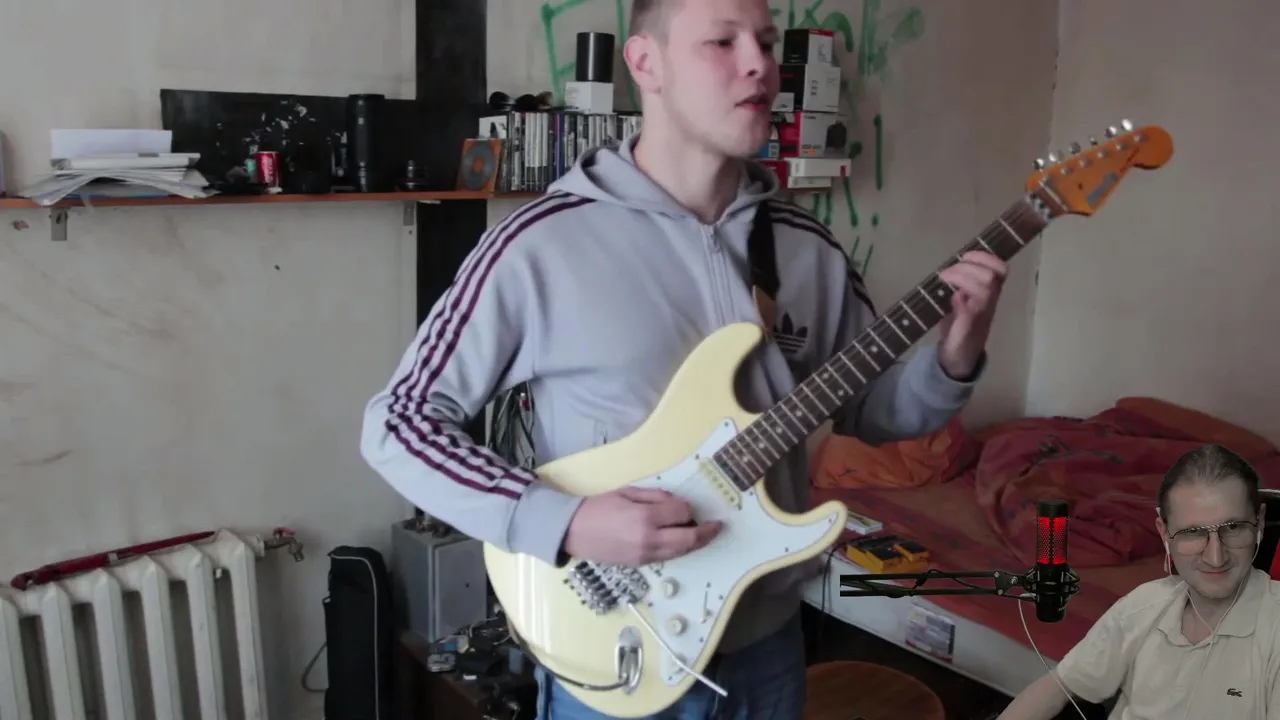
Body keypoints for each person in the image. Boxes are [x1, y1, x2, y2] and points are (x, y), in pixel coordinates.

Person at [360, 0, 1008, 717]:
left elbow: (879, 415)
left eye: (766, 42)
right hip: (611, 655)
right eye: (722, 42)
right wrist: (564, 521)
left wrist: (956, 352)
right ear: (647, 64)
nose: (760, 65)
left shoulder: (806, 250)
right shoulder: (539, 244)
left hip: (766, 654)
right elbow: (399, 423)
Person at [997, 443, 1280, 720]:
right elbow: (1059, 685)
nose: (1216, 557)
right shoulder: (1144, 605)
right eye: (1192, 533)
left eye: (1234, 528)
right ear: (1164, 533)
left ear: (1260, 522)